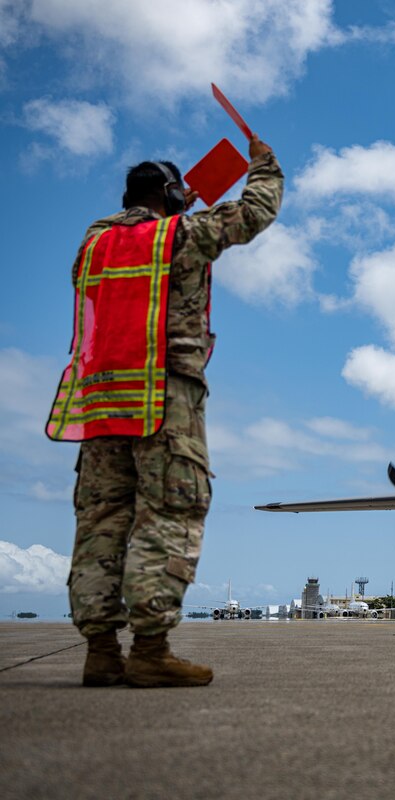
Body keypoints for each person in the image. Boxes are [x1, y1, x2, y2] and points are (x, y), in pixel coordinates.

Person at [47, 135, 284, 687]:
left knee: (100, 525)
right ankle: (150, 650)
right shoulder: (180, 235)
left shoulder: (93, 242)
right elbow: (254, 211)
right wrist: (264, 166)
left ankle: (101, 651)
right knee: (170, 514)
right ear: (174, 196)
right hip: (163, 397)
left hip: (99, 403)